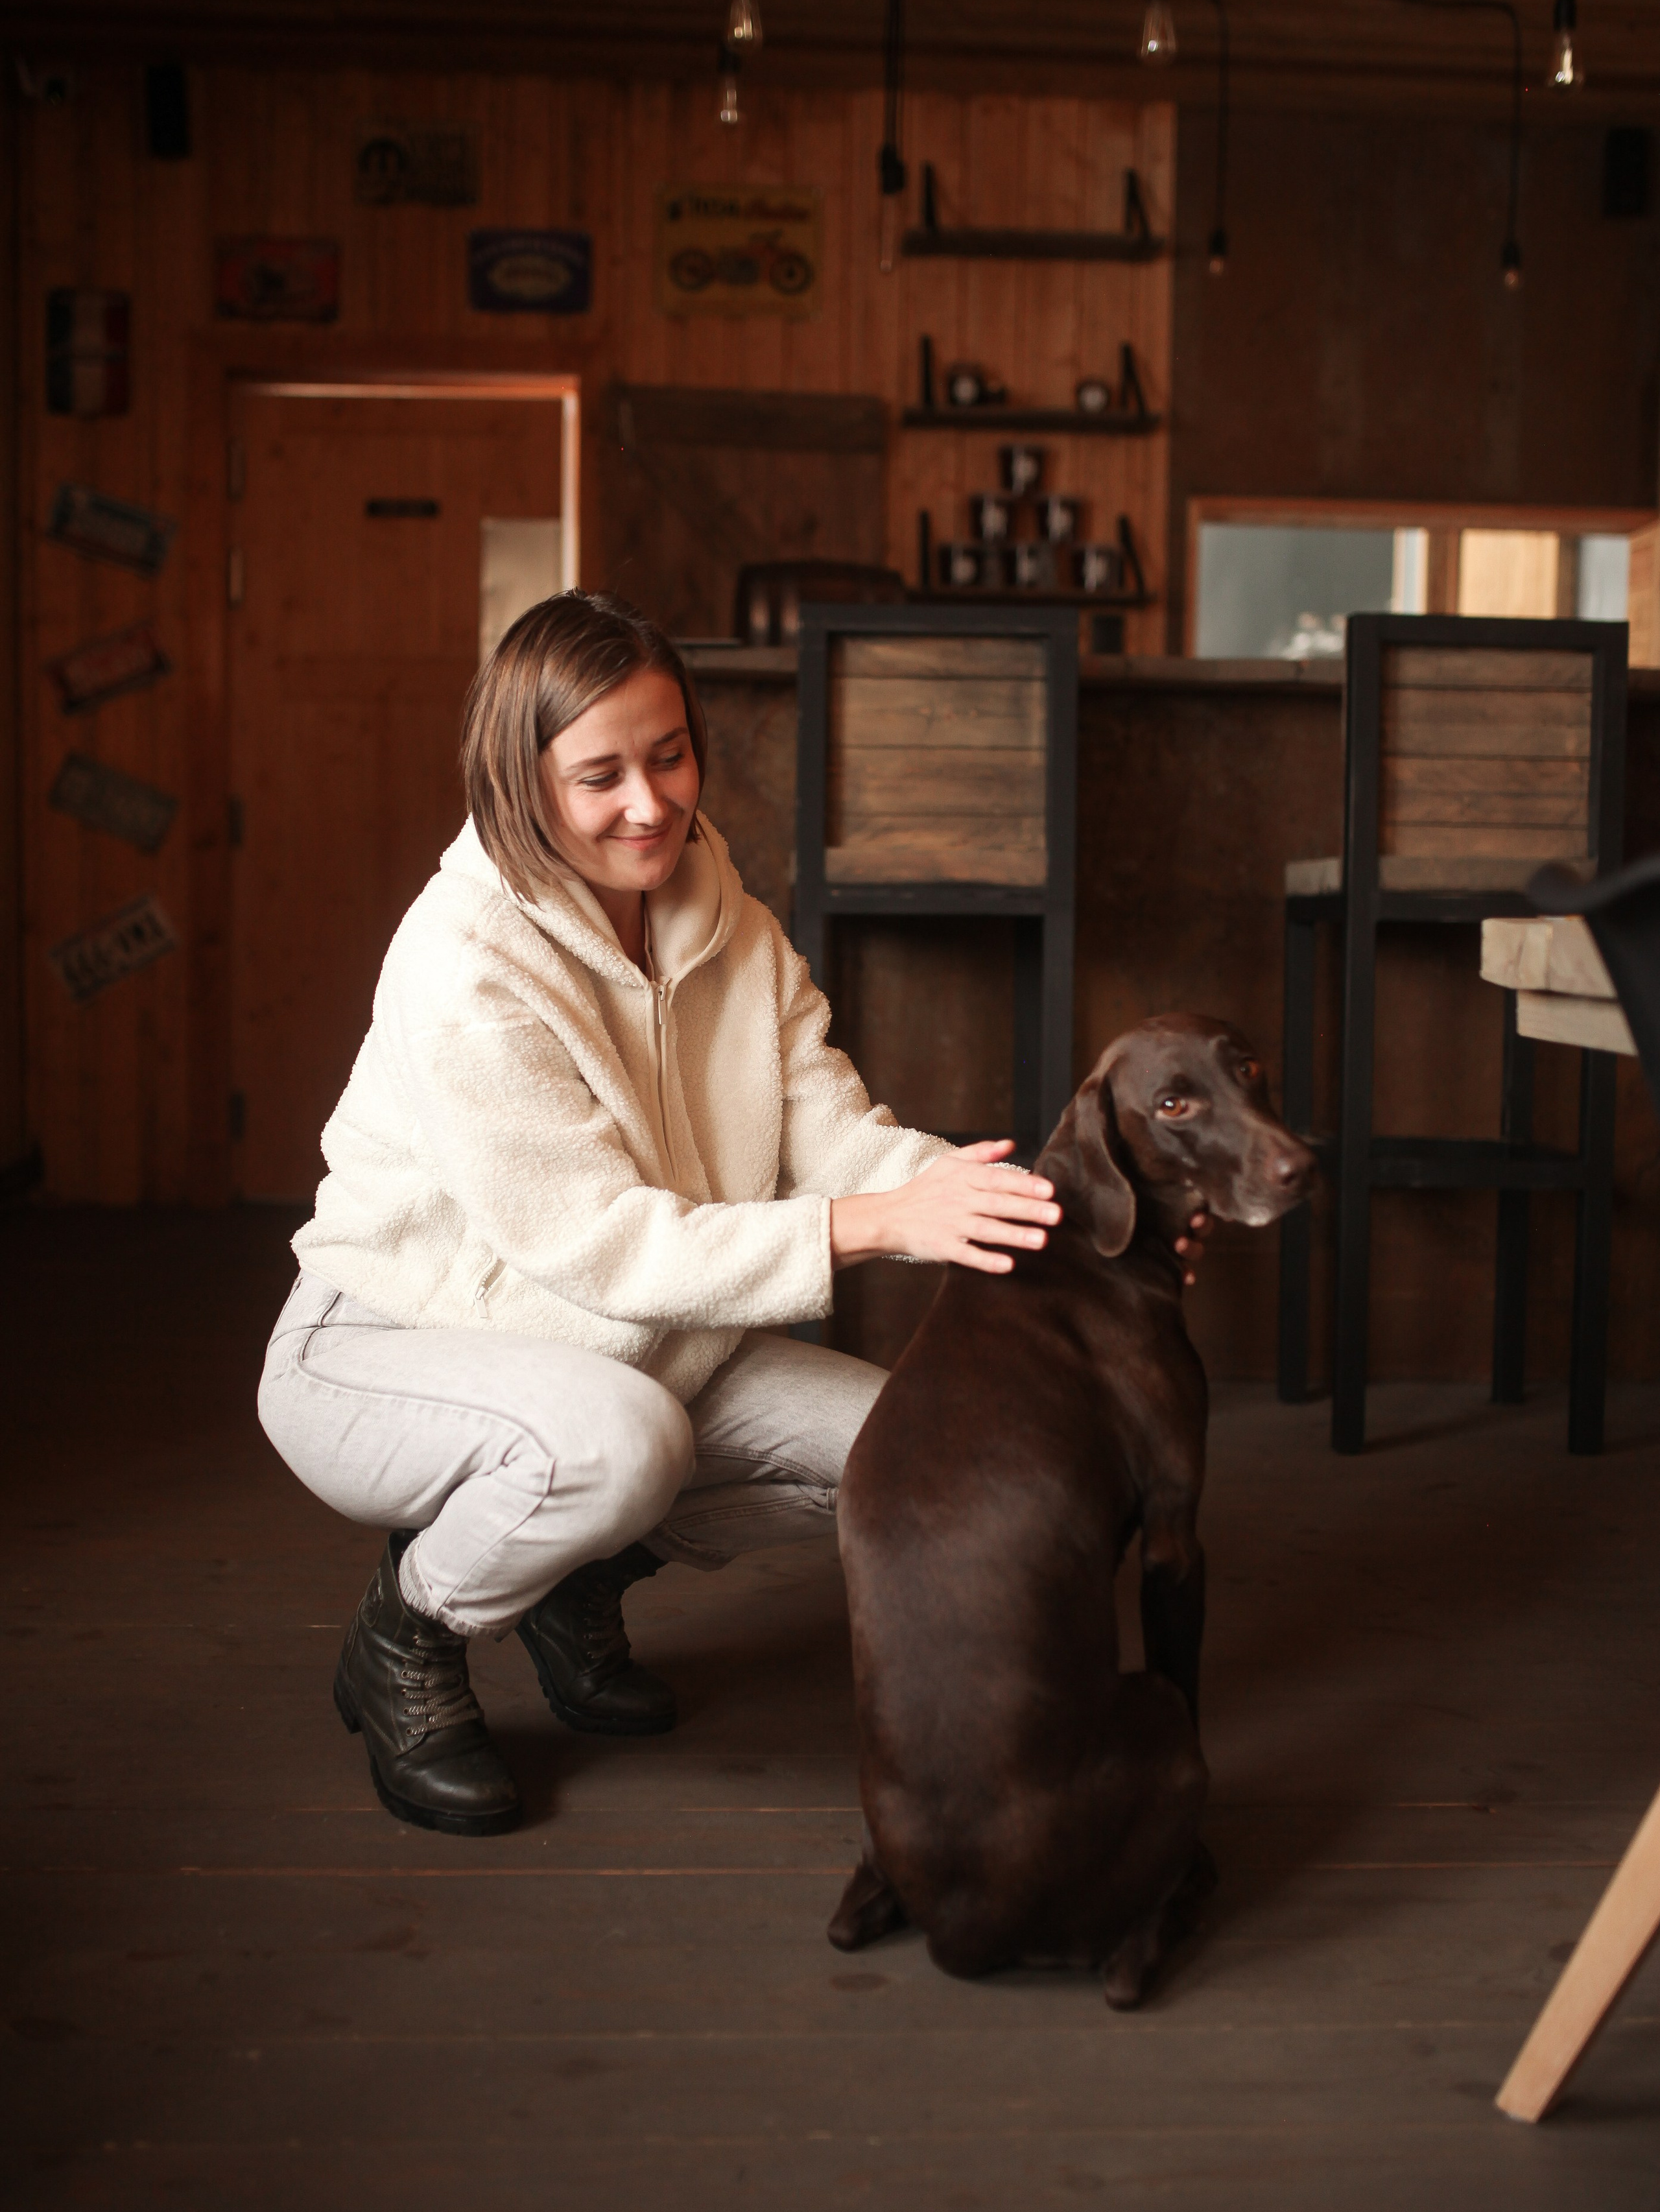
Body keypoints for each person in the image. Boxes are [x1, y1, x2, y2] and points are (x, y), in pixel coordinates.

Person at [258, 591, 1204, 1838]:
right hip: (386, 1345)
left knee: (907, 1453)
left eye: (668, 756)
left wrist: (1047, 1216)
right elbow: (599, 1241)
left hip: (630, 1349)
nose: (648, 804)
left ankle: (568, 1575)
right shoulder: (462, 967)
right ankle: (410, 1629)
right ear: (519, 782)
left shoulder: (728, 920)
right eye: (599, 776)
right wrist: (875, 1230)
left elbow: (832, 1132)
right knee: (619, 1443)